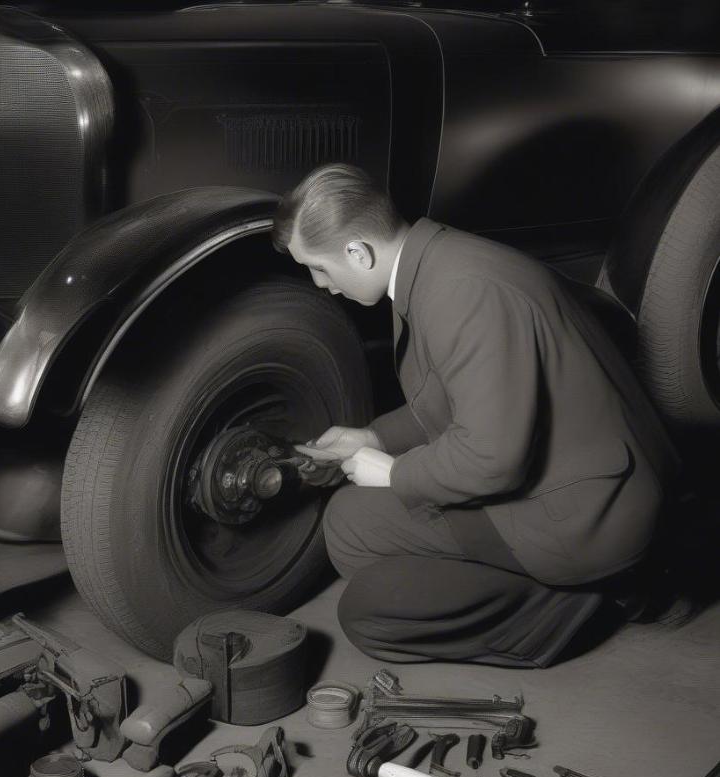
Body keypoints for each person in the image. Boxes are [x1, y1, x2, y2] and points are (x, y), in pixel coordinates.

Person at [272, 163, 678, 667]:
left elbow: (493, 458)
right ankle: (536, 582)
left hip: (586, 512)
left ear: (358, 251)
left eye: (319, 268)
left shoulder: (462, 291)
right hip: (560, 485)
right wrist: (370, 439)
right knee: (348, 526)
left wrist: (395, 472)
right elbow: (452, 402)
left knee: (370, 611)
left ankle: (592, 598)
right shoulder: (436, 263)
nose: (319, 284)